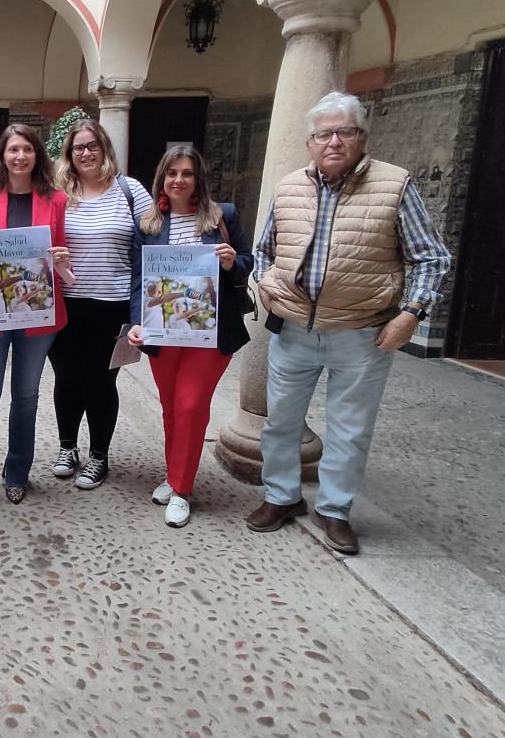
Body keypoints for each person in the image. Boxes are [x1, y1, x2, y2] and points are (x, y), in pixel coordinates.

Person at [247, 92, 451, 554]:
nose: (334, 141)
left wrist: (410, 315)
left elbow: (431, 258)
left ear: (362, 137)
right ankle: (281, 496)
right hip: (294, 328)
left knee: (350, 427)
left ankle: (335, 510)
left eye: (345, 132)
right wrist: (263, 284)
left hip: (363, 332)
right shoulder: (289, 187)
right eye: (324, 134)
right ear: (309, 143)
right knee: (280, 421)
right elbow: (264, 250)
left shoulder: (394, 186)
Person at [126, 145, 252, 528]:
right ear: (162, 179)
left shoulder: (222, 216)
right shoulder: (147, 225)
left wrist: (233, 262)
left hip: (208, 334)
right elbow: (137, 281)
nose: (178, 180)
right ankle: (174, 475)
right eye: (172, 173)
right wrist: (136, 321)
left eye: (187, 173)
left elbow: (249, 262)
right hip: (164, 331)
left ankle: (181, 490)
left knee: (190, 405)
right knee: (170, 408)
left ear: (198, 179)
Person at [0, 123, 70, 520]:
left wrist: (61, 260)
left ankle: (18, 473)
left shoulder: (56, 200)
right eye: (13, 150)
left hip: (38, 313)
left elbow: (65, 259)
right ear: (2, 157)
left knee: (26, 397)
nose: (20, 156)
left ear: (36, 155)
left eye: (27, 149)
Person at [48, 119, 153, 489]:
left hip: (114, 306)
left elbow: (158, 239)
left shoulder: (131, 191)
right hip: (65, 303)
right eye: (79, 148)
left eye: (93, 145)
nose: (86, 153)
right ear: (69, 154)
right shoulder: (58, 193)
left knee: (101, 381)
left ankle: (98, 456)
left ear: (105, 148)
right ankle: (67, 447)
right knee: (66, 378)